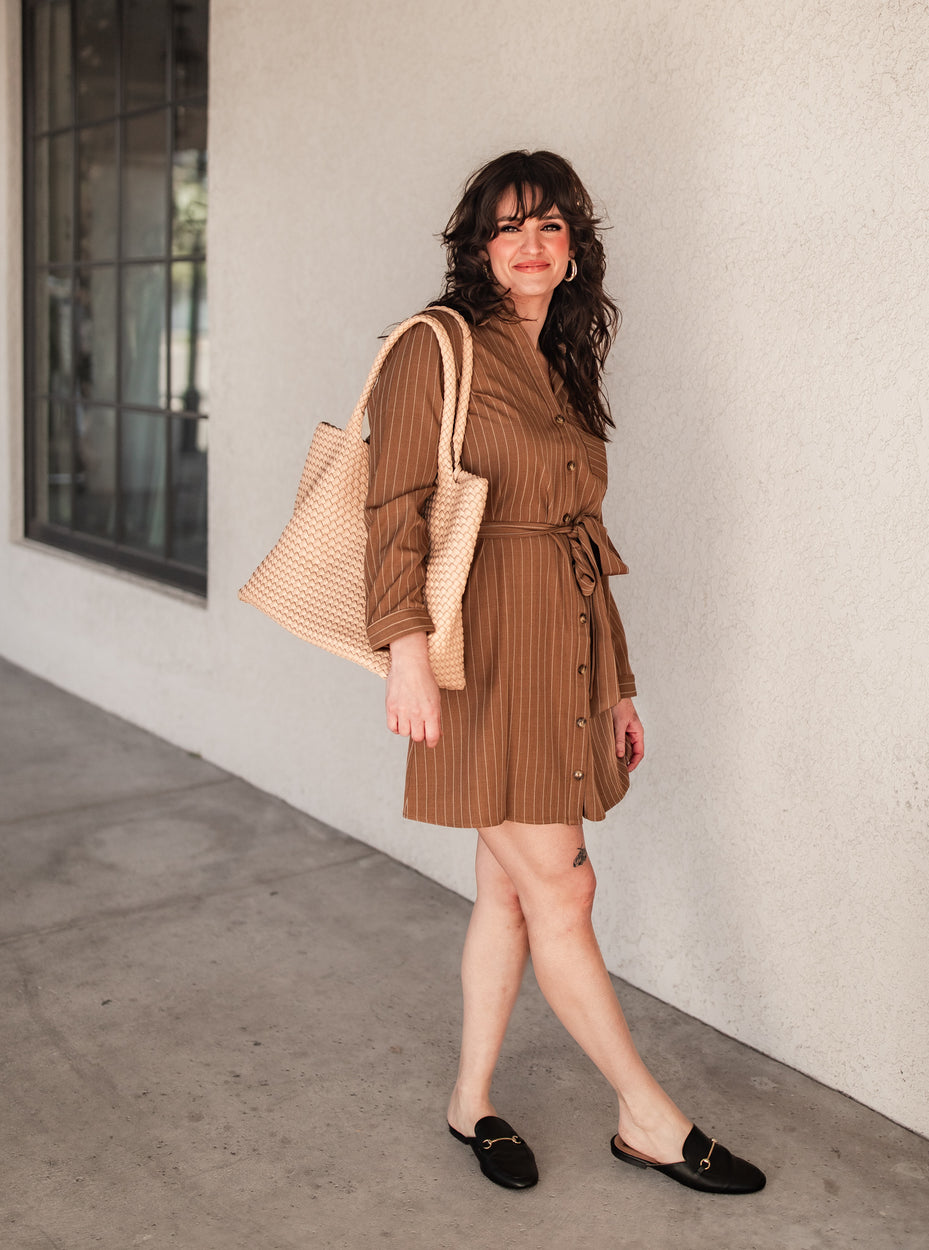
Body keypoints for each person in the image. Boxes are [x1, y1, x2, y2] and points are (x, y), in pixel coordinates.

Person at [363, 150, 764, 1196]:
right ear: (479, 246)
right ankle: (648, 1116)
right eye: (510, 226)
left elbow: (581, 536)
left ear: (575, 246)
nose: (531, 243)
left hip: (560, 653)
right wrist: (404, 653)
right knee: (565, 886)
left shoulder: (560, 364)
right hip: (478, 658)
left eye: (550, 225)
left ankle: (470, 1100)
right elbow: (393, 508)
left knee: (507, 891)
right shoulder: (436, 346)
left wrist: (614, 684)